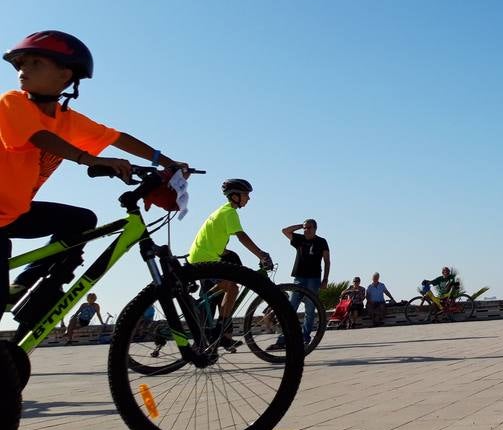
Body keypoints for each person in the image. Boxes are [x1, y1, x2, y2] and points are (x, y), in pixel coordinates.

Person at [0, 31, 189, 327]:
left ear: (65, 74)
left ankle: (36, 288)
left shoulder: (67, 119)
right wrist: (93, 160)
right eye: (20, 64)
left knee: (81, 221)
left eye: (34, 63)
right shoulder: (12, 102)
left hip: (14, 213)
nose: (22, 70)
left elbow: (117, 138)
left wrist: (168, 162)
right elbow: (40, 138)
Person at [187, 179, 274, 326]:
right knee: (232, 288)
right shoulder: (229, 212)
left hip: (203, 257)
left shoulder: (223, 211)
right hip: (205, 259)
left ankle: (213, 320)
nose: (248, 198)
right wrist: (261, 254)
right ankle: (222, 326)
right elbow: (242, 237)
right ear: (235, 196)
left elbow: (215, 240)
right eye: (246, 194)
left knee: (226, 288)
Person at [268, 219, 330, 350]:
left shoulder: (321, 242)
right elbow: (285, 231)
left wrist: (325, 279)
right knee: (290, 308)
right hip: (299, 278)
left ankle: (305, 338)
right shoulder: (299, 239)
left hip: (313, 279)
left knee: (310, 309)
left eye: (309, 228)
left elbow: (327, 261)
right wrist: (299, 226)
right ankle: (283, 340)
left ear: (315, 229)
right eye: (305, 228)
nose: (306, 230)